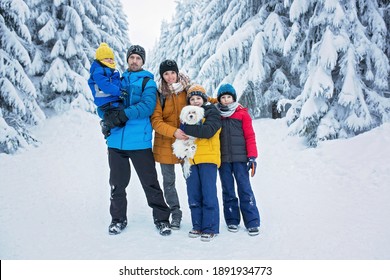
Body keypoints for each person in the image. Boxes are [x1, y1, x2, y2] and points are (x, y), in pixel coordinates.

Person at [98, 45, 171, 236]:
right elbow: (103, 103)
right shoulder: (117, 81)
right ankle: (118, 219)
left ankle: (162, 219)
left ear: (143, 61)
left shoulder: (148, 82)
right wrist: (106, 118)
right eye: (132, 57)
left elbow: (147, 107)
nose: (134, 61)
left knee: (150, 183)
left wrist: (121, 115)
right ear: (127, 60)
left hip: (140, 143)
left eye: (138, 58)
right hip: (116, 143)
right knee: (117, 184)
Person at [151, 59, 191, 230]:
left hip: (185, 143)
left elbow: (201, 101)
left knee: (192, 179)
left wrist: (221, 102)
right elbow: (156, 121)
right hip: (165, 144)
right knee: (169, 183)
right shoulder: (159, 93)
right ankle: (175, 214)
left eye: (172, 73)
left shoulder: (187, 89)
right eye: (166, 74)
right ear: (162, 75)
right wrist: (173, 131)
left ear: (177, 72)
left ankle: (197, 211)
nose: (170, 77)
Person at [215, 83, 261, 236]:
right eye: (223, 97)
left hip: (241, 160)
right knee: (227, 190)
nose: (226, 100)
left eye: (229, 97)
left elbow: (250, 136)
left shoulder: (242, 114)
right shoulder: (217, 115)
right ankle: (232, 220)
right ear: (219, 99)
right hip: (223, 160)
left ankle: (252, 222)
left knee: (244, 189)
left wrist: (252, 156)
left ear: (233, 98)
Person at [179, 84, 222, 242]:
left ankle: (210, 227)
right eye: (192, 98)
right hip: (191, 159)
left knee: (208, 193)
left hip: (208, 158)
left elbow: (207, 131)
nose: (195, 101)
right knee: (193, 194)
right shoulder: (186, 114)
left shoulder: (212, 112)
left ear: (204, 99)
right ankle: (197, 225)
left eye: (198, 98)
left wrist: (186, 129)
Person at [88, 42, 123, 138]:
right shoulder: (99, 71)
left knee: (120, 119)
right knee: (122, 113)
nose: (110, 61)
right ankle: (106, 124)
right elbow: (105, 85)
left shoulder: (109, 70)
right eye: (107, 58)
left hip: (111, 100)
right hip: (107, 101)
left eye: (111, 58)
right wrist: (120, 92)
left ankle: (108, 128)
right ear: (100, 60)